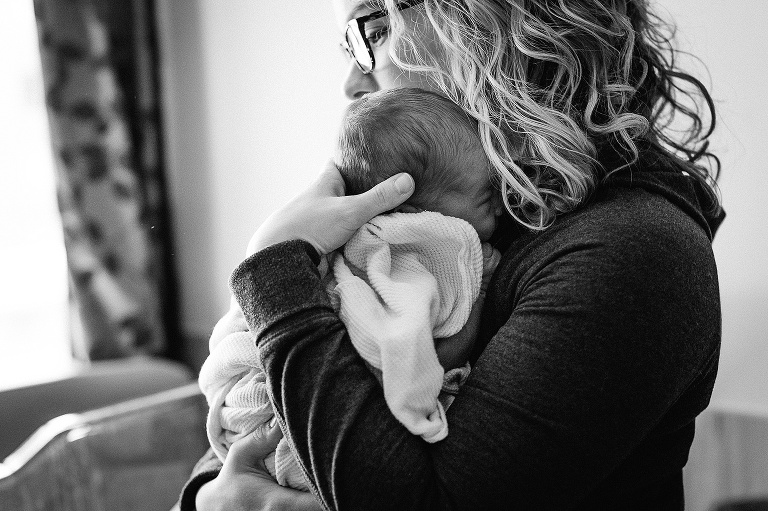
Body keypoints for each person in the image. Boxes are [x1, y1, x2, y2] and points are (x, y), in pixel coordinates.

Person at [181, 0, 725, 509]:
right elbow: (256, 401)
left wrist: (273, 267)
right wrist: (211, 495)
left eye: (372, 30)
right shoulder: (441, 218)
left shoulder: (632, 250)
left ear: (482, 18)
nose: (352, 83)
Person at [198, 86, 503, 492]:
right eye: (486, 197)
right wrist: (481, 289)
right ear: (412, 211)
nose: (501, 205)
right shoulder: (420, 254)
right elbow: (420, 357)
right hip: (288, 435)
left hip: (254, 417)